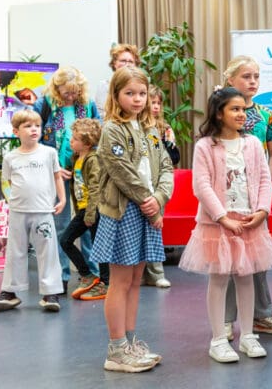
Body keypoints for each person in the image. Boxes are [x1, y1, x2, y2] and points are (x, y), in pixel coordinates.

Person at [178, 87, 272, 363]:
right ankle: (218, 339)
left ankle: (247, 335)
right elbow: (201, 185)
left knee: (246, 277)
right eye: (234, 109)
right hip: (218, 224)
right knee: (220, 279)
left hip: (249, 222)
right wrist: (222, 217)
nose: (241, 114)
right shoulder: (205, 146)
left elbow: (263, 179)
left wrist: (262, 211)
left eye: (243, 109)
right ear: (219, 113)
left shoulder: (251, 144)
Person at [90, 66, 173, 373]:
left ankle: (130, 341)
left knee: (137, 280)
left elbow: (165, 168)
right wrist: (148, 202)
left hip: (148, 210)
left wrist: (160, 199)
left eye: (141, 93)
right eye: (130, 94)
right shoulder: (112, 128)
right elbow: (119, 169)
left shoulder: (151, 130)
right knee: (121, 281)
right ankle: (116, 349)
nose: (137, 100)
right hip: (125, 213)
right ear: (116, 95)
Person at [222, 56, 272, 339]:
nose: (252, 81)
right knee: (227, 256)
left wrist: (264, 182)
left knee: (258, 253)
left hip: (256, 191)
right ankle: (225, 320)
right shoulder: (221, 111)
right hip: (228, 192)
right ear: (230, 80)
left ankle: (262, 315)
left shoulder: (266, 115)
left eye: (256, 76)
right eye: (246, 76)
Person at [0, 109, 66, 312]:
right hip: (18, 212)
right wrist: (11, 201)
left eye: (37, 126)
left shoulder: (49, 153)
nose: (34, 129)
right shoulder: (10, 157)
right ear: (16, 131)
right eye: (27, 126)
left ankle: (51, 292)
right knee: (15, 251)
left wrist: (63, 199)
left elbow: (57, 176)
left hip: (42, 211)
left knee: (47, 251)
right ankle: (10, 291)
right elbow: (7, 181)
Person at [34, 66, 101, 293]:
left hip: (84, 172)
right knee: (61, 226)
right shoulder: (44, 105)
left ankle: (93, 275)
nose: (71, 96)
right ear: (56, 88)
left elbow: (98, 136)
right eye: (66, 92)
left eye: (75, 92)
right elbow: (35, 141)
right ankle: (61, 277)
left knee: (89, 223)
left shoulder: (88, 104)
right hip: (56, 173)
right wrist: (55, 168)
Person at [59, 118, 110, 301]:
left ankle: (105, 283)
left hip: (93, 210)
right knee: (65, 240)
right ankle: (87, 275)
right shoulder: (76, 159)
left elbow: (96, 188)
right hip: (83, 210)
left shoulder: (93, 160)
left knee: (99, 246)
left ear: (87, 143)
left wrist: (90, 213)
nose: (71, 141)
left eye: (75, 138)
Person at [141, 85, 175, 289]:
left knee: (154, 228)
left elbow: (170, 159)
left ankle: (156, 272)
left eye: (157, 103)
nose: (154, 106)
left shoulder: (161, 128)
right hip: (137, 189)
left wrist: (161, 194)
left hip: (156, 187)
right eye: (150, 102)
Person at [95, 43, 141, 118]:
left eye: (131, 62)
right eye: (123, 61)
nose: (127, 64)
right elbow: (101, 115)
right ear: (114, 63)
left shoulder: (140, 86)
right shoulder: (104, 86)